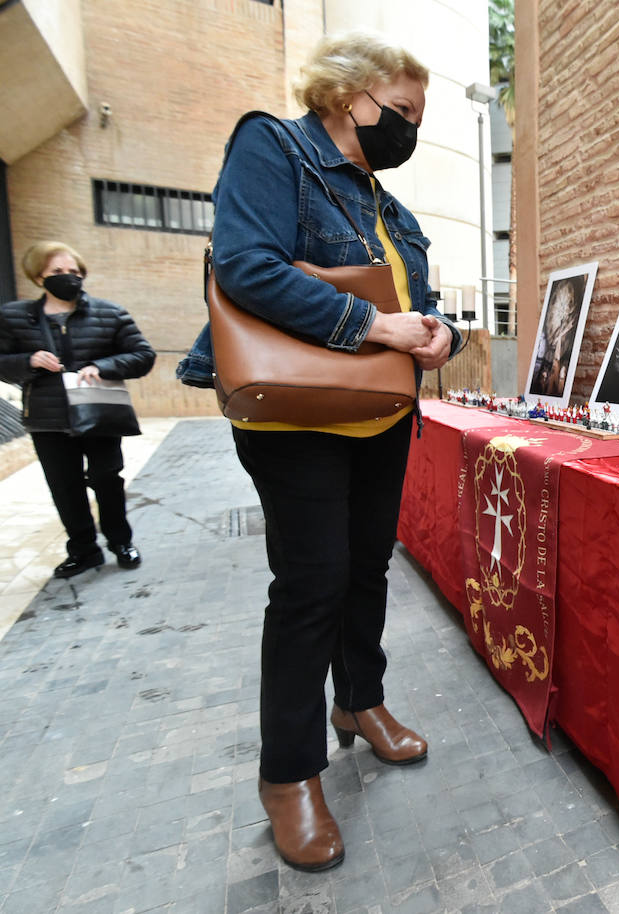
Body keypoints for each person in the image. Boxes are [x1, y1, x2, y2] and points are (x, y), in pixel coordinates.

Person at [176, 32, 463, 872]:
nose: (408, 130)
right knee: (309, 586)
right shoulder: (274, 147)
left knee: (367, 567)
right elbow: (245, 267)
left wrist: (438, 332)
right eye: (402, 112)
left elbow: (421, 300)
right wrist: (373, 325)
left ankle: (360, 704)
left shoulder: (392, 209)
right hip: (295, 415)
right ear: (351, 97)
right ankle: (289, 775)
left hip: (378, 411)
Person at [0, 242, 154, 578]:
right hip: (48, 418)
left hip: (100, 411)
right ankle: (84, 550)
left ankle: (120, 542)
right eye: (57, 272)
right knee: (64, 486)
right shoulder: (14, 317)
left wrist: (105, 365)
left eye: (74, 271)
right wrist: (27, 361)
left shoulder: (109, 313)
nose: (68, 278)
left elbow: (143, 355)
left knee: (107, 479)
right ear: (38, 275)